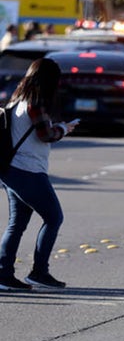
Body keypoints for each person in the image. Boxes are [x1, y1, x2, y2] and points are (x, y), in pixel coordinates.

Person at [0, 58, 78, 290]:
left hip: (11, 169)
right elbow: (46, 135)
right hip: (29, 171)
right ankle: (39, 272)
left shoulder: (17, 100)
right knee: (54, 218)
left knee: (17, 223)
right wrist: (64, 128)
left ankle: (4, 274)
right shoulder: (35, 103)